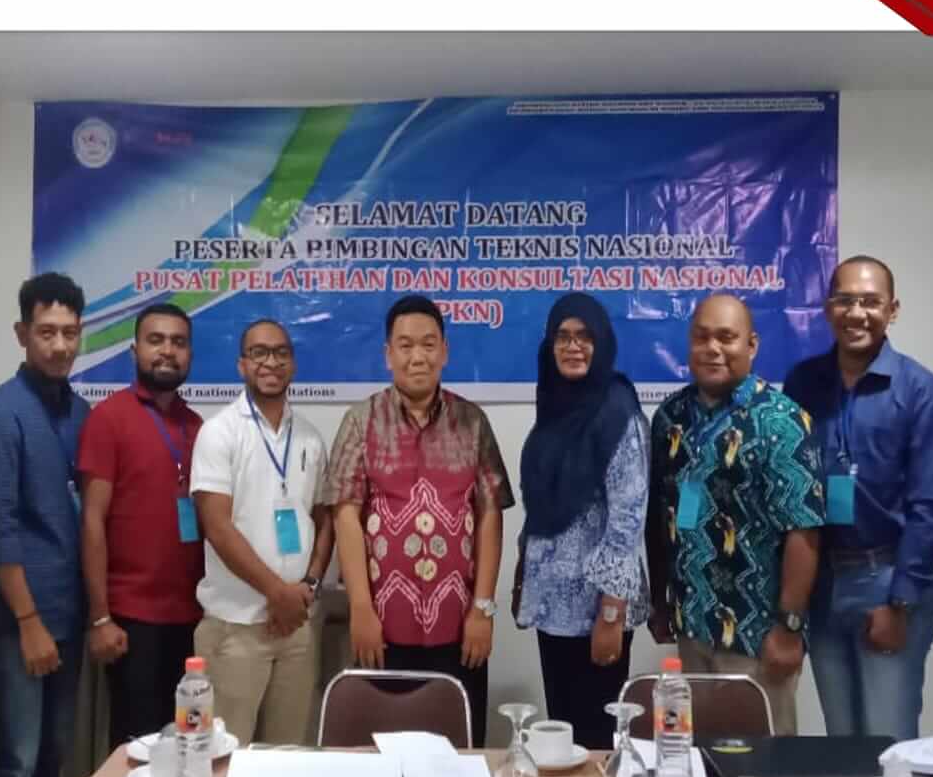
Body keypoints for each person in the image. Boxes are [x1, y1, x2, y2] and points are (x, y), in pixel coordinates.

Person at [324, 295, 514, 747]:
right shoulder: (361, 422)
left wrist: (483, 610)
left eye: (428, 345)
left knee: (458, 750)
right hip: (382, 628)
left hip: (460, 628)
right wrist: (360, 608)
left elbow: (489, 514)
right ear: (388, 354)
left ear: (444, 352)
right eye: (405, 345)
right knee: (381, 753)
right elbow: (345, 515)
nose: (417, 357)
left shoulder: (472, 422)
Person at [784, 255, 933, 741]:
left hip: (887, 577)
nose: (856, 313)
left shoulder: (920, 390)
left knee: (887, 738)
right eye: (844, 300)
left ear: (892, 310)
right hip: (821, 583)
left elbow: (930, 508)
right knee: (842, 739)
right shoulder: (803, 384)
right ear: (827, 308)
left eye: (870, 301)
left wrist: (900, 601)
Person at [645, 294, 824, 735]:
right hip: (692, 624)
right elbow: (661, 515)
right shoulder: (670, 417)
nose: (713, 349)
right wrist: (661, 601)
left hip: (757, 636)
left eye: (726, 337)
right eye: (702, 337)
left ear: (752, 345)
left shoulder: (780, 420)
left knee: (763, 764)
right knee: (696, 757)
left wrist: (789, 628)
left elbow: (804, 530)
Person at [0, 272, 91, 777]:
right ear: (22, 334)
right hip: (23, 624)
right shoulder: (0, 415)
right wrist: (28, 621)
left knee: (53, 760)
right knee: (17, 761)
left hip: (70, 616)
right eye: (47, 332)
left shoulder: (81, 412)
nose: (60, 345)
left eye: (70, 332)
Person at [515, 293, 649, 751]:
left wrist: (611, 613)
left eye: (585, 336)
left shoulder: (617, 412)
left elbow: (627, 519)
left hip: (597, 611)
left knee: (597, 742)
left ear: (602, 343)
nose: (573, 347)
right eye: (563, 337)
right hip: (553, 608)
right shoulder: (554, 406)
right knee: (563, 736)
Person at [190, 319, 333, 745]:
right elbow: (217, 526)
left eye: (280, 353)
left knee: (287, 755)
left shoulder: (309, 437)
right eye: (259, 353)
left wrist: (308, 585)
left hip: (297, 626)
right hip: (237, 629)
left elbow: (323, 517)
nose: (271, 361)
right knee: (224, 756)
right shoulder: (219, 432)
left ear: (293, 364)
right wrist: (277, 592)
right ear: (242, 365)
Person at [78, 303, 206, 748]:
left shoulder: (197, 427)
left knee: (188, 744)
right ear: (134, 350)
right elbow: (92, 520)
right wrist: (100, 617)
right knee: (137, 750)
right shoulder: (108, 418)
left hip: (192, 619)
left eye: (178, 342)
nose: (167, 351)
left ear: (190, 354)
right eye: (156, 340)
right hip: (131, 621)